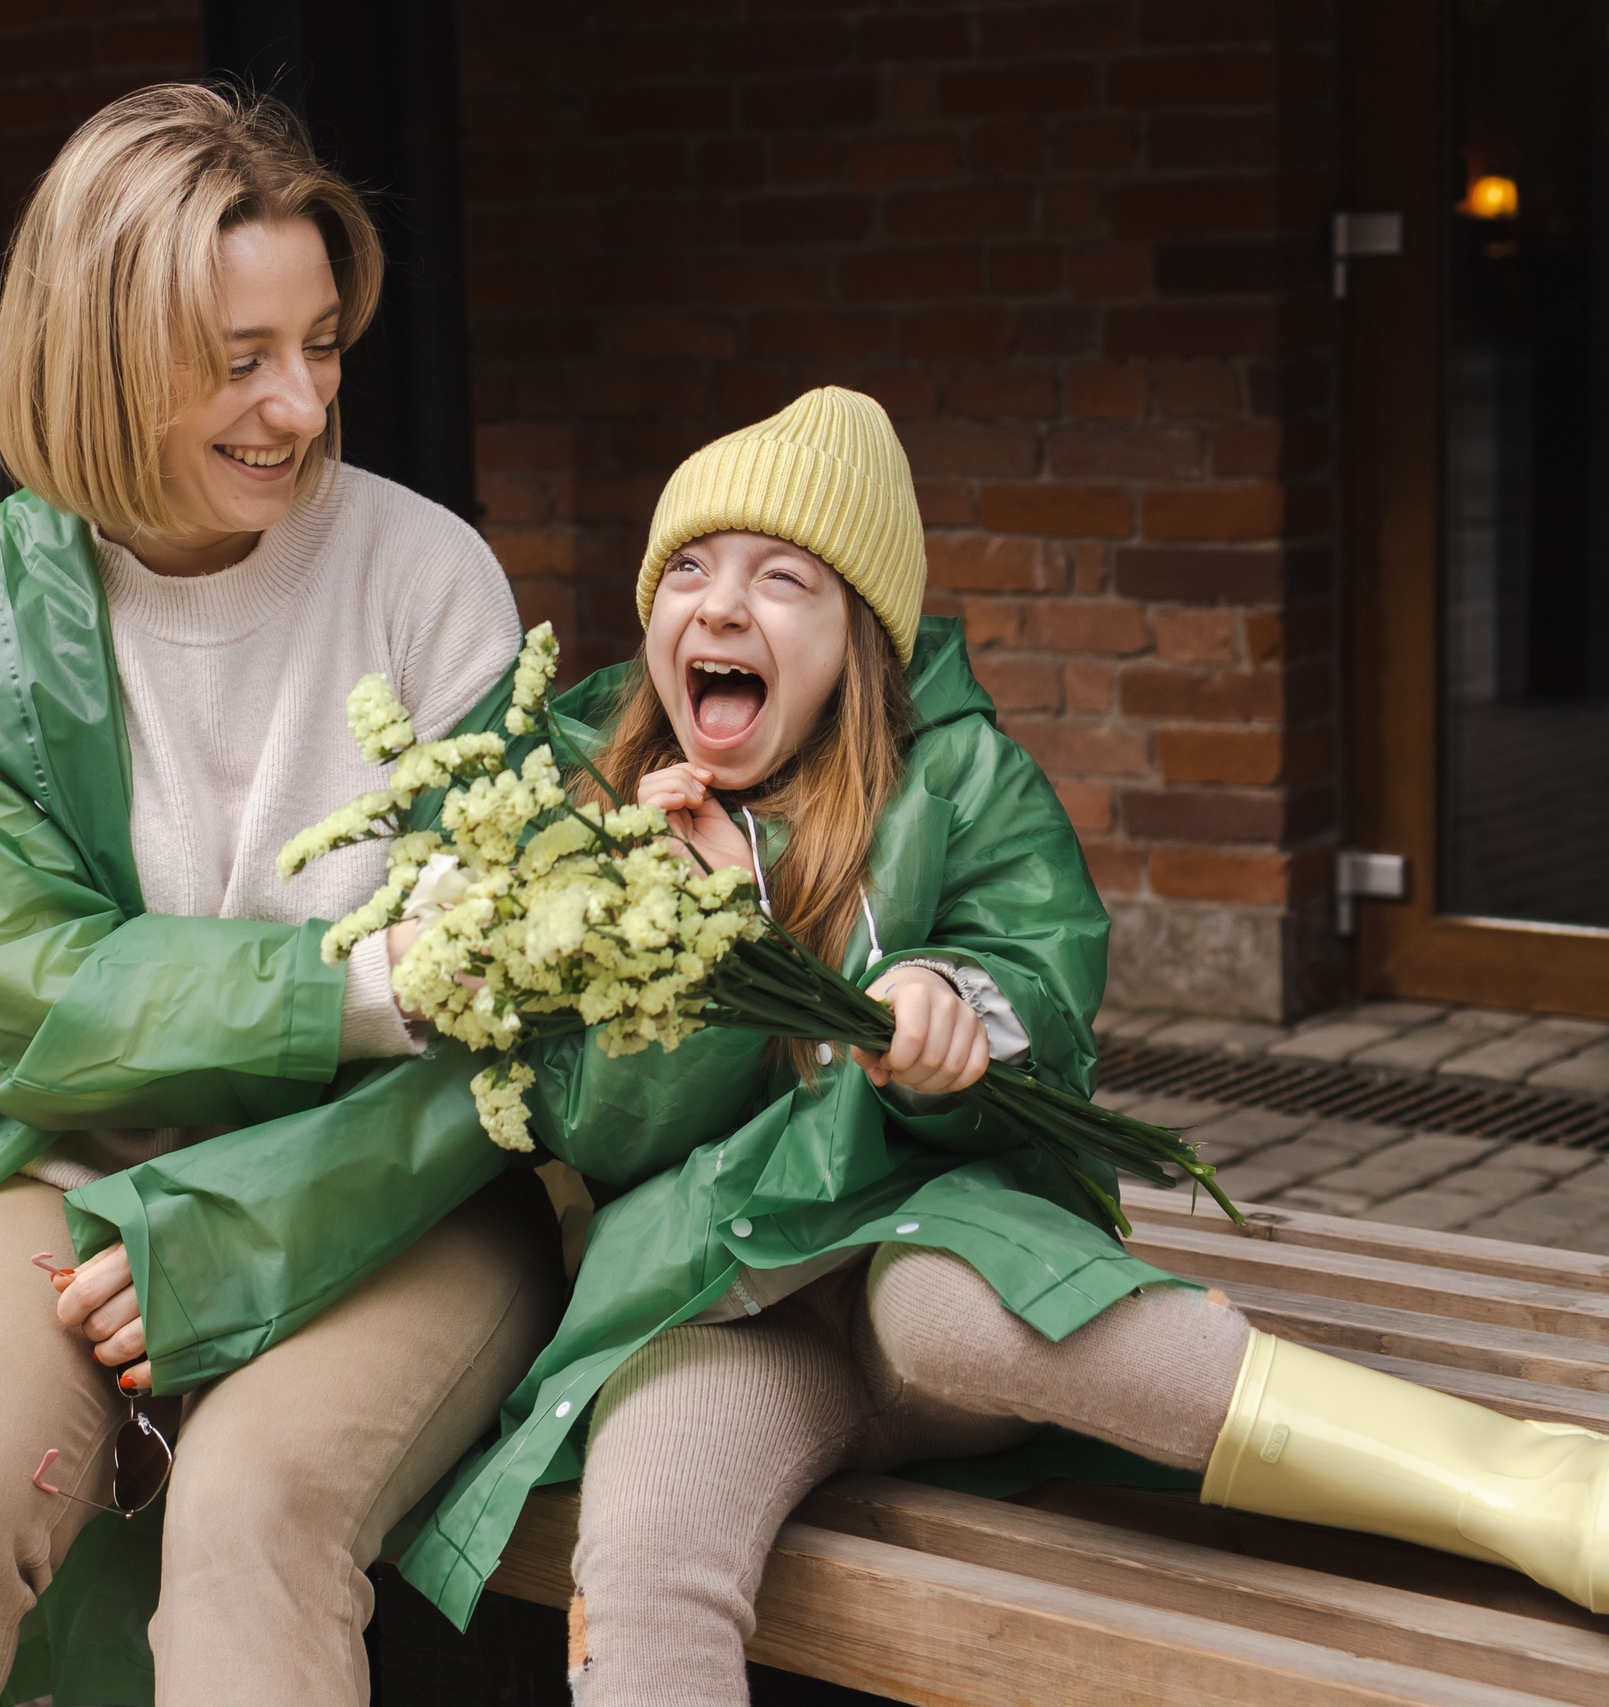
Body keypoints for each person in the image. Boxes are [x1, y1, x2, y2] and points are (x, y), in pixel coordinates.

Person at [387, 387, 1609, 1701]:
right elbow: (597, 1127)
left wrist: (953, 1003)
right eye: (688, 568)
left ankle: (1541, 1491)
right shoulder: (587, 818)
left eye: (783, 578)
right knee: (646, 1546)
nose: (723, 606)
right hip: (714, 1296)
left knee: (961, 1309)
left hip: (922, 1240)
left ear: (860, 634)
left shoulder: (958, 782)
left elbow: (1043, 987)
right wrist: (690, 935)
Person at [0, 86, 561, 1707]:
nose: (300, 404)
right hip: (67, 1162)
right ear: (101, 353)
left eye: (320, 345)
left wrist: (227, 1229)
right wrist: (352, 987)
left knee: (249, 1516)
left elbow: (504, 1022)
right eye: (238, 357)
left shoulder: (427, 581)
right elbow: (19, 997)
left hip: (397, 1183)